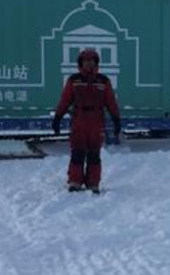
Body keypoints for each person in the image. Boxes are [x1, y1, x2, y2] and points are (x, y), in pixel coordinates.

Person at [52, 49, 121, 193]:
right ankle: (75, 182)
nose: (89, 64)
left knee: (94, 154)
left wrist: (116, 119)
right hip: (79, 120)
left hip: (96, 121)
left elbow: (111, 102)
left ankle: (93, 183)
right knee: (77, 152)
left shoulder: (103, 81)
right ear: (80, 63)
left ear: (96, 63)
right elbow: (65, 100)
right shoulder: (74, 80)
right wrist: (57, 118)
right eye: (86, 61)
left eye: (92, 61)